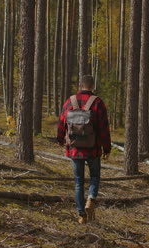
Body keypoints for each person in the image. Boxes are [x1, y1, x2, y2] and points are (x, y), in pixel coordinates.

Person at [57, 75, 111, 224]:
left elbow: (62, 122)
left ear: (80, 85)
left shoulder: (69, 101)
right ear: (93, 86)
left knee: (78, 182)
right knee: (95, 176)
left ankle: (82, 215)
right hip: (93, 148)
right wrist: (107, 148)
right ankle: (91, 199)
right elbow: (104, 128)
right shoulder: (98, 103)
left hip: (74, 148)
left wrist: (60, 139)